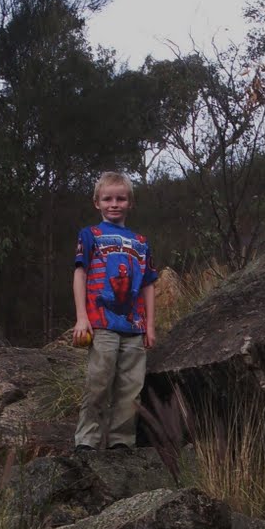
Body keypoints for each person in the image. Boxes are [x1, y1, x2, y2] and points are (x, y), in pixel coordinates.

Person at [72, 170, 158, 451]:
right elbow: (80, 274)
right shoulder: (90, 235)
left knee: (131, 387)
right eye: (107, 199)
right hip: (101, 323)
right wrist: (82, 317)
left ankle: (121, 442)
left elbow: (148, 284)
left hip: (134, 326)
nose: (114, 204)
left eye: (120, 199)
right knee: (98, 382)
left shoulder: (141, 242)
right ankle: (87, 440)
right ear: (97, 202)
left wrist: (150, 325)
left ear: (130, 203)